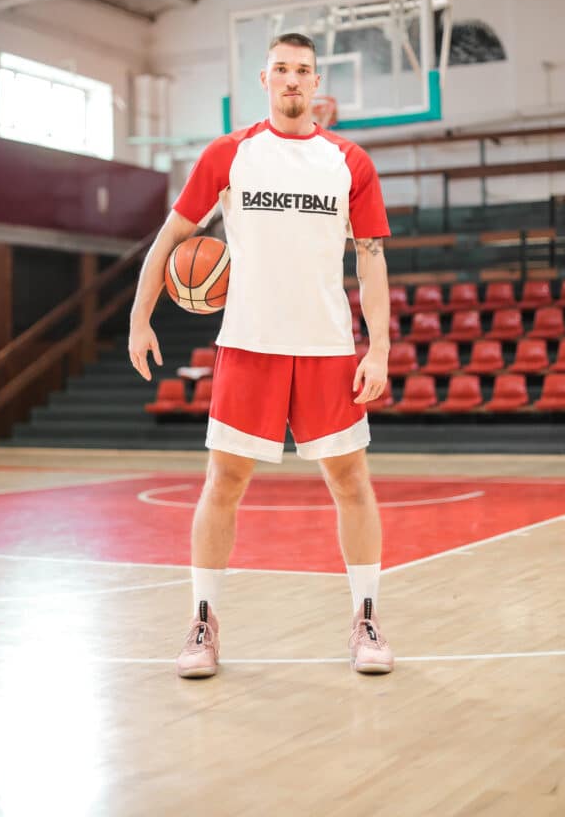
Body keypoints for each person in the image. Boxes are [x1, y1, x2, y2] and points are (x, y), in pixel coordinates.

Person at [129, 33, 394, 677]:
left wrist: (379, 347)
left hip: (328, 347)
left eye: (303, 70)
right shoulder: (229, 155)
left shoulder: (349, 161)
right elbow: (170, 237)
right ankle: (202, 621)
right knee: (223, 484)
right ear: (265, 79)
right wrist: (140, 317)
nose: (293, 80)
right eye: (282, 70)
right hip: (247, 345)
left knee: (351, 483)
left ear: (317, 82)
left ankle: (365, 618)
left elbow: (372, 259)